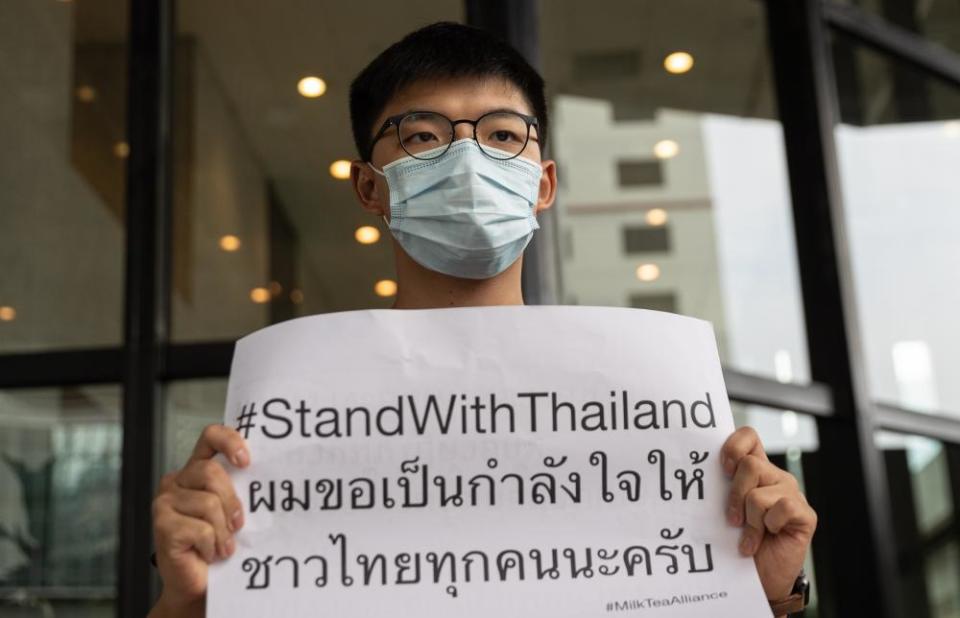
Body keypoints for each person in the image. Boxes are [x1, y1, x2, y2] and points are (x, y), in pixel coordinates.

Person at [148, 22, 817, 618]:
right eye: (422, 136)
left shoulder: (643, 399)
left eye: (502, 135)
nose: (467, 161)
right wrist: (187, 604)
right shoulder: (286, 421)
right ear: (368, 188)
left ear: (543, 184)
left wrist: (765, 594)